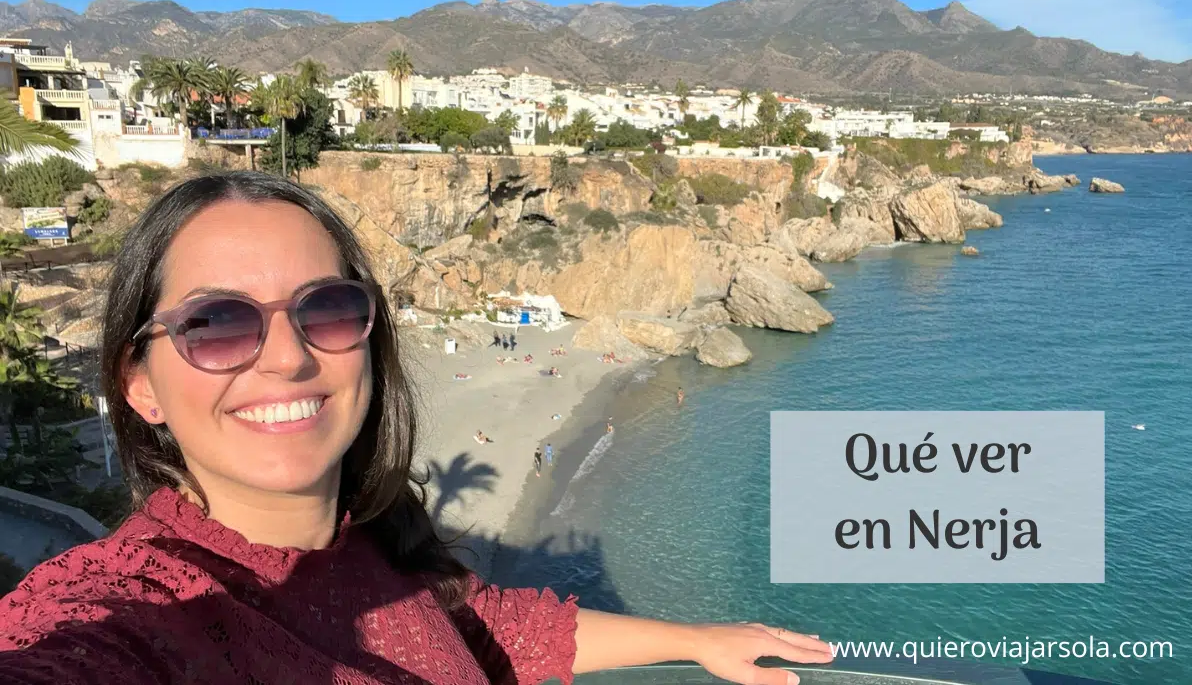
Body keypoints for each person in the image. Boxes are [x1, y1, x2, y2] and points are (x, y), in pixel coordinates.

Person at [0, 172, 832, 683]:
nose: (286, 359)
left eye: (324, 309)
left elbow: (485, 624)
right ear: (139, 383)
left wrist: (697, 639)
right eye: (218, 324)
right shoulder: (125, 611)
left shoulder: (373, 545)